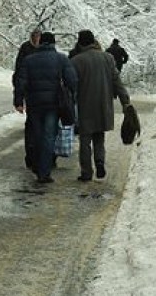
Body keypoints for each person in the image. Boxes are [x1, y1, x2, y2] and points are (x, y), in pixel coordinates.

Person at [14, 31, 77, 184]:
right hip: (53, 104)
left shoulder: (29, 60)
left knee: (36, 135)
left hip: (34, 103)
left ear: (40, 42)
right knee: (49, 136)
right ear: (54, 43)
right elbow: (72, 80)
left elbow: (20, 81)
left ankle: (36, 165)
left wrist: (18, 101)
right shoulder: (61, 59)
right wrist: (71, 96)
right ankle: (44, 172)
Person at [71, 30, 130, 182]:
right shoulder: (108, 58)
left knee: (85, 140)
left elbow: (71, 86)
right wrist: (125, 101)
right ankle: (100, 162)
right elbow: (117, 81)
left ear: (80, 43)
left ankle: (86, 172)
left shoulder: (76, 61)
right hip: (103, 104)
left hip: (85, 105)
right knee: (99, 137)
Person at [12, 28, 41, 169]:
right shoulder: (26, 48)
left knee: (35, 127)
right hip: (32, 94)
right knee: (33, 127)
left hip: (36, 94)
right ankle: (33, 156)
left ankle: (35, 156)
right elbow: (19, 74)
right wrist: (18, 99)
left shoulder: (44, 50)